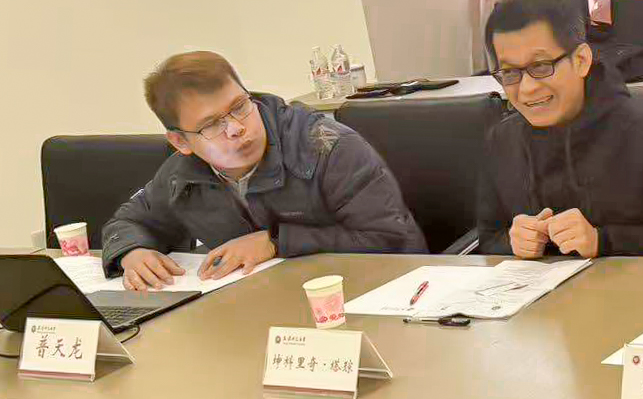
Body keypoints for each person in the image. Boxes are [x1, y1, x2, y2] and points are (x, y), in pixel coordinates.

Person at [104, 52, 427, 289]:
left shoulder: (327, 147)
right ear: (180, 141)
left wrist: (275, 242)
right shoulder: (181, 174)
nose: (236, 129)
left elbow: (393, 241)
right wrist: (132, 252)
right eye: (211, 124)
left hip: (370, 293)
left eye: (239, 107)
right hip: (267, 303)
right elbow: (128, 222)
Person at [476, 0, 643, 259]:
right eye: (510, 73)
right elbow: (488, 238)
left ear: (581, 60)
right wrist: (512, 241)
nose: (527, 88)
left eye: (541, 66)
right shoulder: (501, 140)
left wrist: (604, 240)